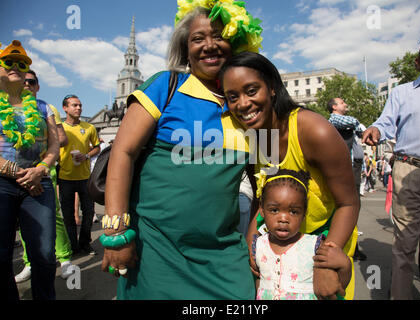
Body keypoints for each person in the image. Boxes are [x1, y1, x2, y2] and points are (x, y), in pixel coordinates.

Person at [101, 0, 263, 299]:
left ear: (236, 42)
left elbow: (266, 186)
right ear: (185, 49)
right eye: (198, 38)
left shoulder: (251, 107)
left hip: (224, 256)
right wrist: (116, 235)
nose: (209, 45)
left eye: (219, 36)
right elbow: (123, 153)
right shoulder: (166, 85)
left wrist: (254, 242)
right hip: (155, 251)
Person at [220, 51, 360, 300]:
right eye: (233, 97)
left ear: (272, 88)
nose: (242, 104)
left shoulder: (314, 131)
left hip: (325, 249)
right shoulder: (254, 139)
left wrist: (325, 261)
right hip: (278, 258)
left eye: (252, 90)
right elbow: (259, 202)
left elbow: (348, 203)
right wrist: (253, 246)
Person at [362, 35, 420, 300]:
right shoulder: (402, 92)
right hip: (407, 169)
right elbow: (385, 122)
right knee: (405, 243)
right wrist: (376, 129)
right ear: (417, 62)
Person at [0, 40, 59, 300]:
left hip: (40, 182)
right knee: (2, 255)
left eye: (21, 64)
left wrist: (40, 170)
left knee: (44, 254)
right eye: (9, 63)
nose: (16, 68)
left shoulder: (43, 107)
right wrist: (20, 174)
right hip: (3, 184)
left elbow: (55, 146)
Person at [254, 168, 351, 300]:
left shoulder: (315, 246)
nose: (283, 218)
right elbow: (259, 284)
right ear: (262, 210)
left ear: (304, 214)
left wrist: (345, 265)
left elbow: (337, 287)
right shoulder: (258, 245)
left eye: (293, 212)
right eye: (274, 210)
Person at [14, 70, 74, 283]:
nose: (27, 84)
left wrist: (40, 165)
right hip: (12, 174)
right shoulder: (6, 106)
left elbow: (61, 139)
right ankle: (28, 262)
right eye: (24, 81)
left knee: (52, 215)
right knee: (22, 220)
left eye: (32, 82)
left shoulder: (46, 108)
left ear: (37, 86)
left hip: (43, 170)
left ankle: (65, 258)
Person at [59, 94, 100, 255]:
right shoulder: (59, 128)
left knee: (89, 213)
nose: (79, 108)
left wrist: (87, 155)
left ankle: (85, 242)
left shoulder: (89, 127)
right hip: (65, 178)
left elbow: (97, 147)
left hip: (85, 178)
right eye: (74, 105)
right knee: (68, 215)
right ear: (65, 108)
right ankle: (73, 245)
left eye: (80, 105)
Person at [327, 97, 367, 261]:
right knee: (349, 207)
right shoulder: (336, 119)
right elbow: (352, 122)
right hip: (346, 171)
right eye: (342, 102)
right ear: (334, 107)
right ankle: (345, 246)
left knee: (353, 208)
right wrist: (360, 126)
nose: (346, 104)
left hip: (353, 169)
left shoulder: (347, 125)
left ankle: (351, 245)